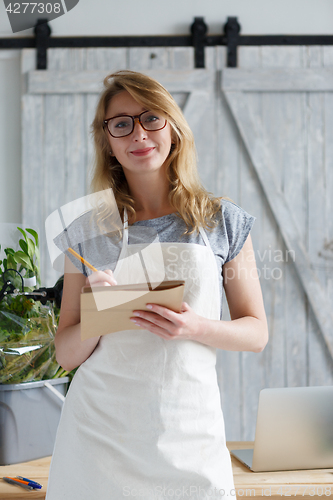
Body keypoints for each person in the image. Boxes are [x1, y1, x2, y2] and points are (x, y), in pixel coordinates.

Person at [46, 70, 268, 500]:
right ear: (107, 139)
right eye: (121, 123)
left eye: (151, 118)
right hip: (98, 445)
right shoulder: (85, 233)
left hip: (189, 436)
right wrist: (99, 313)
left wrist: (195, 327)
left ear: (173, 127)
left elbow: (256, 331)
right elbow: (65, 354)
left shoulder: (222, 222)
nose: (138, 134)